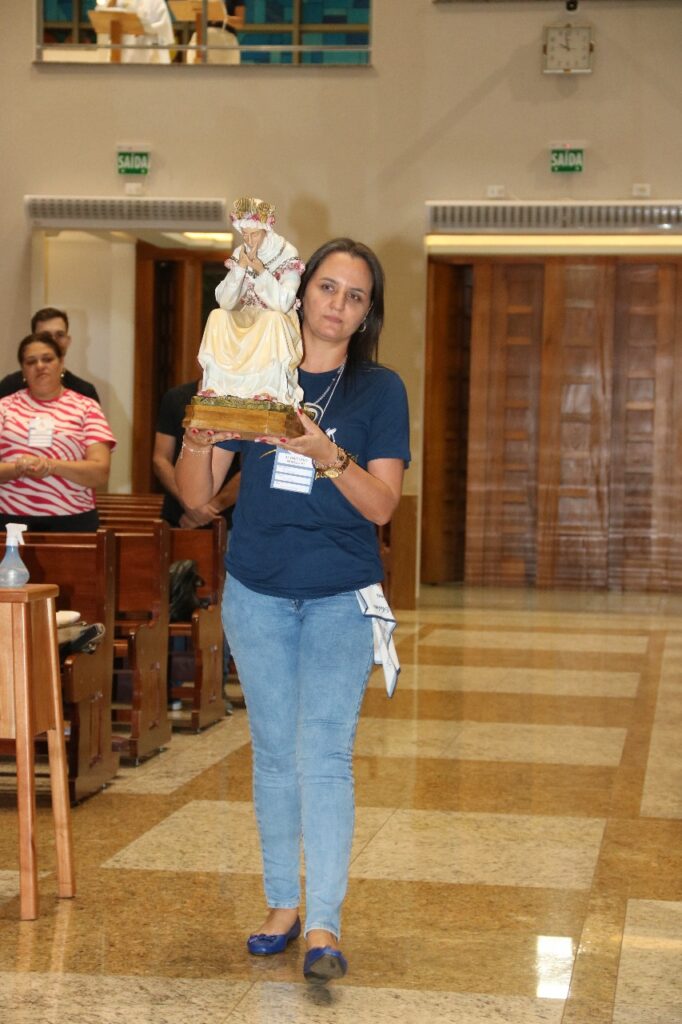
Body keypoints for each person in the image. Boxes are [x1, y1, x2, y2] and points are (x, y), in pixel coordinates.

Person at [176, 238, 410, 984]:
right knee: (274, 752)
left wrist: (324, 452)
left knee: (326, 756)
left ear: (369, 312)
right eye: (328, 288)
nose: (338, 305)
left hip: (341, 592)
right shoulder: (254, 369)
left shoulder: (379, 391)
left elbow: (380, 505)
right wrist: (201, 433)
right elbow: (193, 495)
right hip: (257, 588)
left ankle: (323, 921)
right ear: (300, 291)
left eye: (356, 296)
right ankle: (281, 904)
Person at [0, 333, 115, 532]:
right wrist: (18, 468)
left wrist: (51, 466)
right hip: (9, 521)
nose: (40, 366)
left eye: (47, 359)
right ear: (23, 370)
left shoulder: (87, 407)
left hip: (73, 520)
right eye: (31, 361)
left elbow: (100, 472)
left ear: (61, 363)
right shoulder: (4, 407)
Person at [197, 197, 305, 406]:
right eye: (244, 234)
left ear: (266, 230)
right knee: (217, 316)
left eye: (254, 234)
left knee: (271, 319)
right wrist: (240, 270)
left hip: (279, 322)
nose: (249, 240)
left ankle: (269, 387)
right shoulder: (241, 253)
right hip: (249, 315)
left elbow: (283, 303)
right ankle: (217, 384)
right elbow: (225, 303)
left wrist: (261, 271)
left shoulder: (286, 252)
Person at [153, 378, 240, 528]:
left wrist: (213, 507)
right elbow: (160, 459)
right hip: (179, 510)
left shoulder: (242, 398)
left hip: (230, 513)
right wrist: (190, 505)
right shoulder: (176, 397)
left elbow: (252, 466)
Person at [0, 307, 99, 402]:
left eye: (60, 335)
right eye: (45, 336)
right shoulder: (9, 387)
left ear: (68, 341)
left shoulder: (85, 392)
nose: (53, 341)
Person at [95, 0, 175, 64]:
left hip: (147, 49)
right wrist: (111, 3)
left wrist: (143, 28)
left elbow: (163, 25)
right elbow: (100, 13)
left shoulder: (155, 1)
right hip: (122, 49)